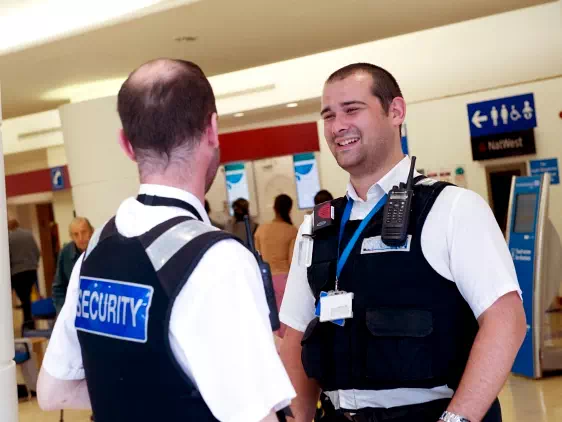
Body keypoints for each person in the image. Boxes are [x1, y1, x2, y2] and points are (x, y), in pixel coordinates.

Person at [37, 58, 295, 422]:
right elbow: (257, 415)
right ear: (212, 129)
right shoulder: (216, 258)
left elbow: (52, 392)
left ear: (126, 144)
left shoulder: (95, 250)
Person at [279, 63, 526, 422]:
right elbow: (296, 338)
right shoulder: (316, 229)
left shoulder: (453, 209)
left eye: (352, 109)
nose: (337, 126)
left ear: (396, 111)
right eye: (328, 116)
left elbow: (506, 321)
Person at [254, 194, 298, 338]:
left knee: (271, 324)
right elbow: (292, 261)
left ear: (274, 208)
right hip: (285, 281)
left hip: (265, 280)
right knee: (287, 326)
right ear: (290, 209)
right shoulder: (292, 230)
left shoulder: (261, 229)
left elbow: (256, 256)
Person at [52, 217, 94, 314]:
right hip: (74, 310)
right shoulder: (65, 253)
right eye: (76, 234)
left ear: (91, 232)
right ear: (71, 237)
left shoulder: (100, 248)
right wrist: (64, 312)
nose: (80, 238)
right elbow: (58, 288)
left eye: (84, 232)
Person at [8, 218, 40, 330]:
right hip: (31, 270)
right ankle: (28, 321)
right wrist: (34, 264)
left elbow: (8, 257)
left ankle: (27, 321)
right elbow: (37, 251)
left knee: (23, 297)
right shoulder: (28, 234)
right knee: (27, 296)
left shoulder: (8, 238)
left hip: (17, 271)